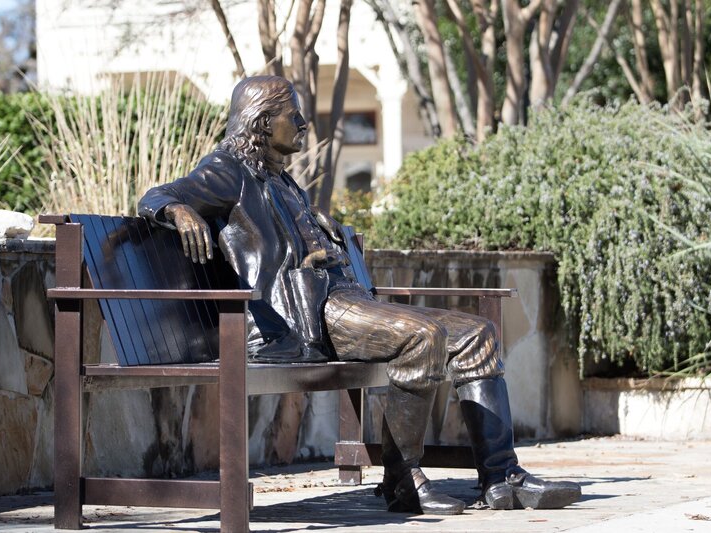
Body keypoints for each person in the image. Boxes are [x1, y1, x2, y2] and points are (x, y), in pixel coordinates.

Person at [138, 75, 581, 515]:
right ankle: (402, 478)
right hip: (306, 317)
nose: (304, 122)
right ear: (262, 121)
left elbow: (288, 233)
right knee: (423, 336)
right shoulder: (227, 171)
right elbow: (158, 195)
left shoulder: (281, 181)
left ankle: (502, 478)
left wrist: (318, 229)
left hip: (343, 299)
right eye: (294, 115)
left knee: (477, 333)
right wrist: (177, 210)